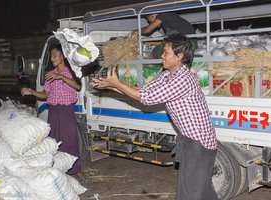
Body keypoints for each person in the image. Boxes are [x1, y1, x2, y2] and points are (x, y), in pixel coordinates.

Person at [92, 34, 218, 200]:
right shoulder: (168, 75)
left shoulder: (183, 80)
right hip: (190, 141)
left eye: (166, 52)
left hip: (199, 145)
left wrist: (116, 84)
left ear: (179, 56)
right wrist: (112, 86)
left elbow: (146, 99)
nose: (161, 56)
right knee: (202, 190)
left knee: (191, 194)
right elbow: (144, 91)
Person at [21, 44, 83, 178]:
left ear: (63, 56)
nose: (52, 58)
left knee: (70, 140)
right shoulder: (50, 74)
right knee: (55, 141)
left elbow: (77, 86)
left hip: (66, 110)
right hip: (53, 111)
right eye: (51, 56)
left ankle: (76, 170)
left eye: (55, 55)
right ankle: (59, 169)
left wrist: (60, 77)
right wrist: (32, 91)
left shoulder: (71, 72)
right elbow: (46, 94)